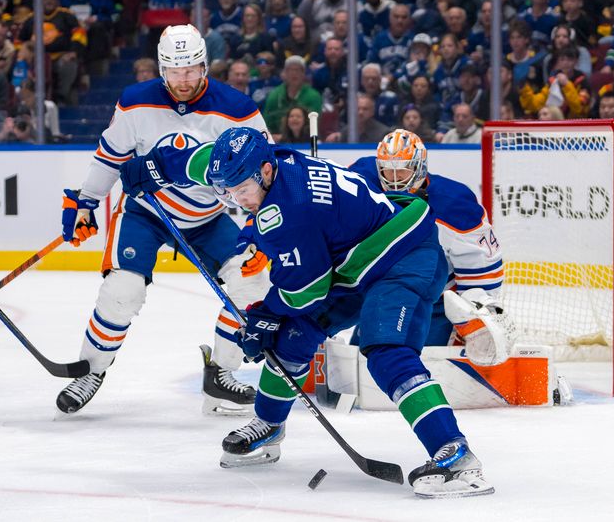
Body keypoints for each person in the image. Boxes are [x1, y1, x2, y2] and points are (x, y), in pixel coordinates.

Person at [116, 126, 494, 499]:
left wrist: (265, 313)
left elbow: (306, 291)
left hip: (403, 254)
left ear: (264, 173)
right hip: (352, 260)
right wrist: (152, 168)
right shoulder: (264, 162)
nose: (234, 198)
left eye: (241, 189)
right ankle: (268, 426)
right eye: (226, 190)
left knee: (386, 352)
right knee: (288, 341)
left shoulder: (291, 208)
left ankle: (455, 453)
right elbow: (201, 161)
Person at [55, 24, 271, 417]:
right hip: (146, 212)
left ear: (205, 65)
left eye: (191, 70)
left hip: (207, 217)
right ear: (161, 68)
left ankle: (220, 375)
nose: (183, 80)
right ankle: (91, 370)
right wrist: (85, 202)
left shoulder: (238, 110)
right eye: (174, 71)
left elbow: (265, 173)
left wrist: (262, 226)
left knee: (251, 281)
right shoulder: (136, 102)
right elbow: (110, 157)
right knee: (123, 291)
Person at [350, 129, 503, 348]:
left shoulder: (454, 205)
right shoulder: (364, 182)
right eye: (387, 172)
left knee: (424, 362)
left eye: (401, 172)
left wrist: (474, 318)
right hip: (384, 292)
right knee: (365, 354)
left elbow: (483, 271)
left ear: (419, 167)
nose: (394, 181)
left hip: (435, 303)